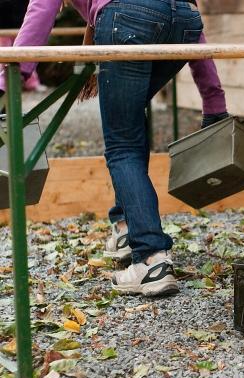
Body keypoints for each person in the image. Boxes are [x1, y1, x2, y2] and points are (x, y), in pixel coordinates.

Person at [0, 0, 228, 297]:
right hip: (183, 20)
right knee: (129, 125)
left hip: (128, 20)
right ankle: (124, 227)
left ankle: (151, 259)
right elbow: (184, 13)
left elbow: (42, 6)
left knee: (123, 145)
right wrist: (214, 101)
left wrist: (9, 78)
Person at [0, 0, 45, 92]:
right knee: (3, 54)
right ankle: (4, 83)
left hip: (21, 23)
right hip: (4, 24)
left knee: (25, 50)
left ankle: (31, 83)